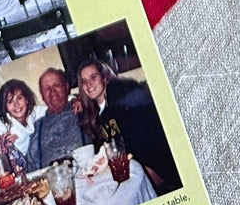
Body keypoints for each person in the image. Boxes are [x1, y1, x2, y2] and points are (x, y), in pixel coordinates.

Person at [75, 59, 181, 193]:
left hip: (156, 165)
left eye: (93, 77)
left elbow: (138, 136)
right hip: (133, 164)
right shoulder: (97, 113)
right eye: (83, 81)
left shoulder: (117, 92)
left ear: (105, 77)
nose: (88, 84)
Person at [23, 66, 84, 168]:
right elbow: (31, 167)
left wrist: (79, 99)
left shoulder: (83, 110)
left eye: (56, 85)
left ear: (66, 87)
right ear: (42, 95)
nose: (52, 91)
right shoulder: (37, 127)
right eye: (47, 89)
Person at [0, 78, 43, 156]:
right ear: (5, 106)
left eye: (19, 98)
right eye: (10, 101)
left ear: (27, 99)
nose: (16, 104)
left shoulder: (35, 113)